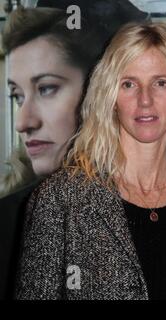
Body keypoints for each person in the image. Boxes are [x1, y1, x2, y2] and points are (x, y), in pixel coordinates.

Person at [15, 22, 166, 300]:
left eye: (160, 83)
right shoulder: (60, 201)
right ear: (110, 97)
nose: (145, 100)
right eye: (128, 84)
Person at [0, 3, 148, 300]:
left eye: (46, 89)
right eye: (17, 96)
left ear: (99, 92)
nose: (23, 122)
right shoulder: (9, 224)